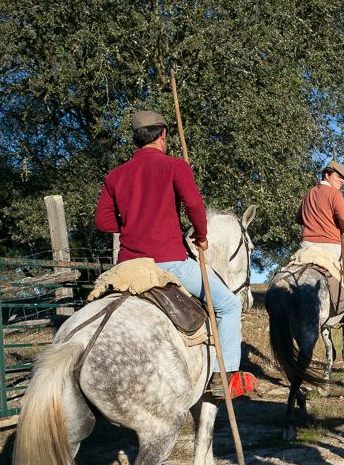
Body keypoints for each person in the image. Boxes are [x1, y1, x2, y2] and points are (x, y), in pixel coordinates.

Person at [94, 110, 251, 394]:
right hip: (169, 262)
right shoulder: (175, 166)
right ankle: (222, 378)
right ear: (163, 135)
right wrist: (201, 236)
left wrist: (133, 222)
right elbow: (194, 205)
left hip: (128, 266)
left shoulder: (115, 176)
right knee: (229, 306)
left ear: (136, 137)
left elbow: (103, 222)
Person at [295, 159, 344, 325]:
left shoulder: (308, 194)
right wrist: (342, 229)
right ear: (326, 175)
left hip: (305, 246)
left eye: (343, 178)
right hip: (329, 247)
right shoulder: (335, 194)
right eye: (338, 176)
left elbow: (299, 219)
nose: (342, 180)